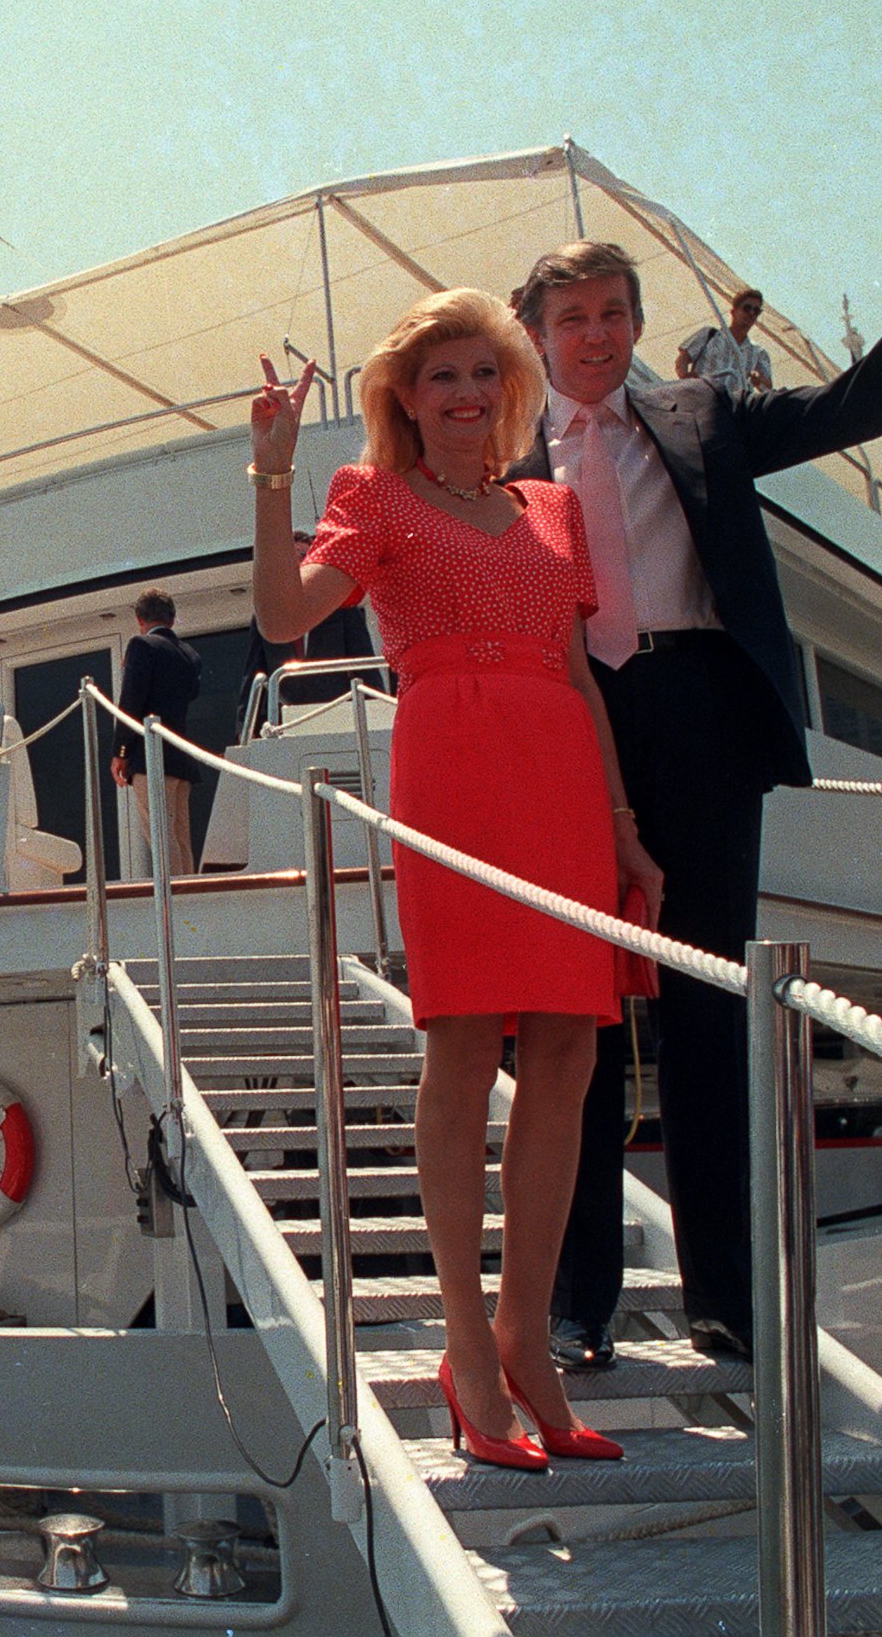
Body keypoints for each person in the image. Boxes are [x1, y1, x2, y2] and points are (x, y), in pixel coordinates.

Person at [515, 141, 882, 1371]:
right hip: (570, 732)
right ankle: (577, 1306)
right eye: (571, 318)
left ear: (635, 323)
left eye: (614, 313)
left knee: (707, 1010)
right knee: (566, 1014)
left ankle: (723, 1296)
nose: (596, 335)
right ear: (536, 335)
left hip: (701, 717)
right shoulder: (502, 468)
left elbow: (854, 411)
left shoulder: (701, 417)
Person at [249, 289, 662, 1472]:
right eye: (443, 379)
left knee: (572, 1048)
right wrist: (274, 473)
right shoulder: (369, 497)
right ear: (406, 398)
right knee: (467, 1038)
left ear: (511, 386)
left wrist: (624, 822)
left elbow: (581, 676)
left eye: (485, 372)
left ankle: (529, 1336)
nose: (468, 394)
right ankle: (467, 1346)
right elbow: (284, 614)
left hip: (564, 778)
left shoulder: (553, 505)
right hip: (455, 766)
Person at [236, 531, 387, 728]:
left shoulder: (341, 609)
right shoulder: (267, 617)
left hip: (336, 718)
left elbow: (365, 666)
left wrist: (377, 716)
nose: (298, 564)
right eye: (291, 558)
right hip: (284, 723)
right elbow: (254, 673)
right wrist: (244, 727)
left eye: (303, 556)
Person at [112, 588, 205, 876]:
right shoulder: (190, 654)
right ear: (172, 619)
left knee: (161, 836)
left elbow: (131, 703)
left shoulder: (141, 646)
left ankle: (173, 900)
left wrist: (120, 752)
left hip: (151, 756)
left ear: (140, 619)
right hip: (181, 756)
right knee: (180, 837)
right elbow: (190, 694)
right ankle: (188, 896)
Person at [676, 288, 776, 398]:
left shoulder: (758, 352)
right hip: (700, 401)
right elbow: (683, 359)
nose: (751, 313)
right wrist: (685, 377)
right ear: (733, 312)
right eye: (747, 308)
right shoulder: (709, 334)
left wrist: (758, 380)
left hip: (730, 410)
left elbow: (768, 388)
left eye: (756, 311)